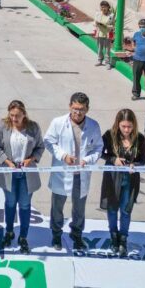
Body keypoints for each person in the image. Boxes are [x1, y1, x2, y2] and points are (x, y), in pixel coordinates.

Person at [44, 92, 104, 252]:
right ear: (70, 106)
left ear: (87, 109)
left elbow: (98, 147)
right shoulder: (58, 123)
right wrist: (63, 156)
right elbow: (48, 141)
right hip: (62, 173)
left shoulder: (93, 126)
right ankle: (56, 234)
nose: (78, 113)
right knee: (57, 206)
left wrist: (88, 160)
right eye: (75, 109)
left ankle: (76, 235)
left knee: (79, 208)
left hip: (81, 174)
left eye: (82, 109)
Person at [0, 100, 45, 254]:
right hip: (9, 172)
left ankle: (23, 237)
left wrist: (31, 159)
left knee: (25, 205)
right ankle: (9, 232)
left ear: (24, 114)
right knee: (10, 203)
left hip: (26, 174)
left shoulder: (33, 127)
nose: (14, 119)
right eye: (12, 115)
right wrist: (7, 162)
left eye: (18, 116)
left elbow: (40, 147)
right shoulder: (3, 126)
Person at [100, 108, 145, 257]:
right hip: (113, 178)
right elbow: (100, 152)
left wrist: (135, 165)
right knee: (112, 209)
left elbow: (143, 160)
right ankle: (113, 236)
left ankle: (123, 239)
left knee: (126, 210)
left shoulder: (140, 138)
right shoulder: (109, 135)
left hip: (130, 180)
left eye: (129, 126)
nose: (126, 130)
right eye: (123, 126)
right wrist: (114, 159)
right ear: (118, 124)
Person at [94, 1, 115, 69]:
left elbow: (110, 24)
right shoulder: (98, 14)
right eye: (102, 7)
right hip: (100, 33)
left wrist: (104, 25)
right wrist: (98, 24)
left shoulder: (111, 15)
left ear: (108, 7)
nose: (103, 8)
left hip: (107, 34)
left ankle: (107, 62)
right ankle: (100, 60)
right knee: (100, 48)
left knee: (107, 49)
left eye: (105, 7)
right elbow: (95, 22)